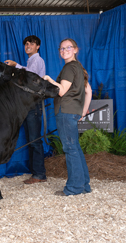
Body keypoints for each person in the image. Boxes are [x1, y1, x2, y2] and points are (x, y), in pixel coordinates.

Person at [43, 38, 92, 196]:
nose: (64, 51)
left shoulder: (69, 68)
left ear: (76, 49)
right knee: (75, 148)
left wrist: (50, 80)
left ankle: (74, 188)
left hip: (65, 111)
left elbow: (62, 91)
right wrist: (83, 111)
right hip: (73, 111)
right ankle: (84, 185)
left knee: (70, 149)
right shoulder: (79, 68)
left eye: (68, 47)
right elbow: (88, 92)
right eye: (62, 48)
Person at [5, 35, 47, 184]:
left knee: (35, 140)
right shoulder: (31, 61)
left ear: (38, 46)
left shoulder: (37, 60)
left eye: (31, 43)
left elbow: (31, 77)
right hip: (29, 104)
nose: (28, 46)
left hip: (33, 104)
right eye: (26, 44)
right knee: (31, 140)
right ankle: (36, 173)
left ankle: (39, 174)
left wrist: (16, 65)